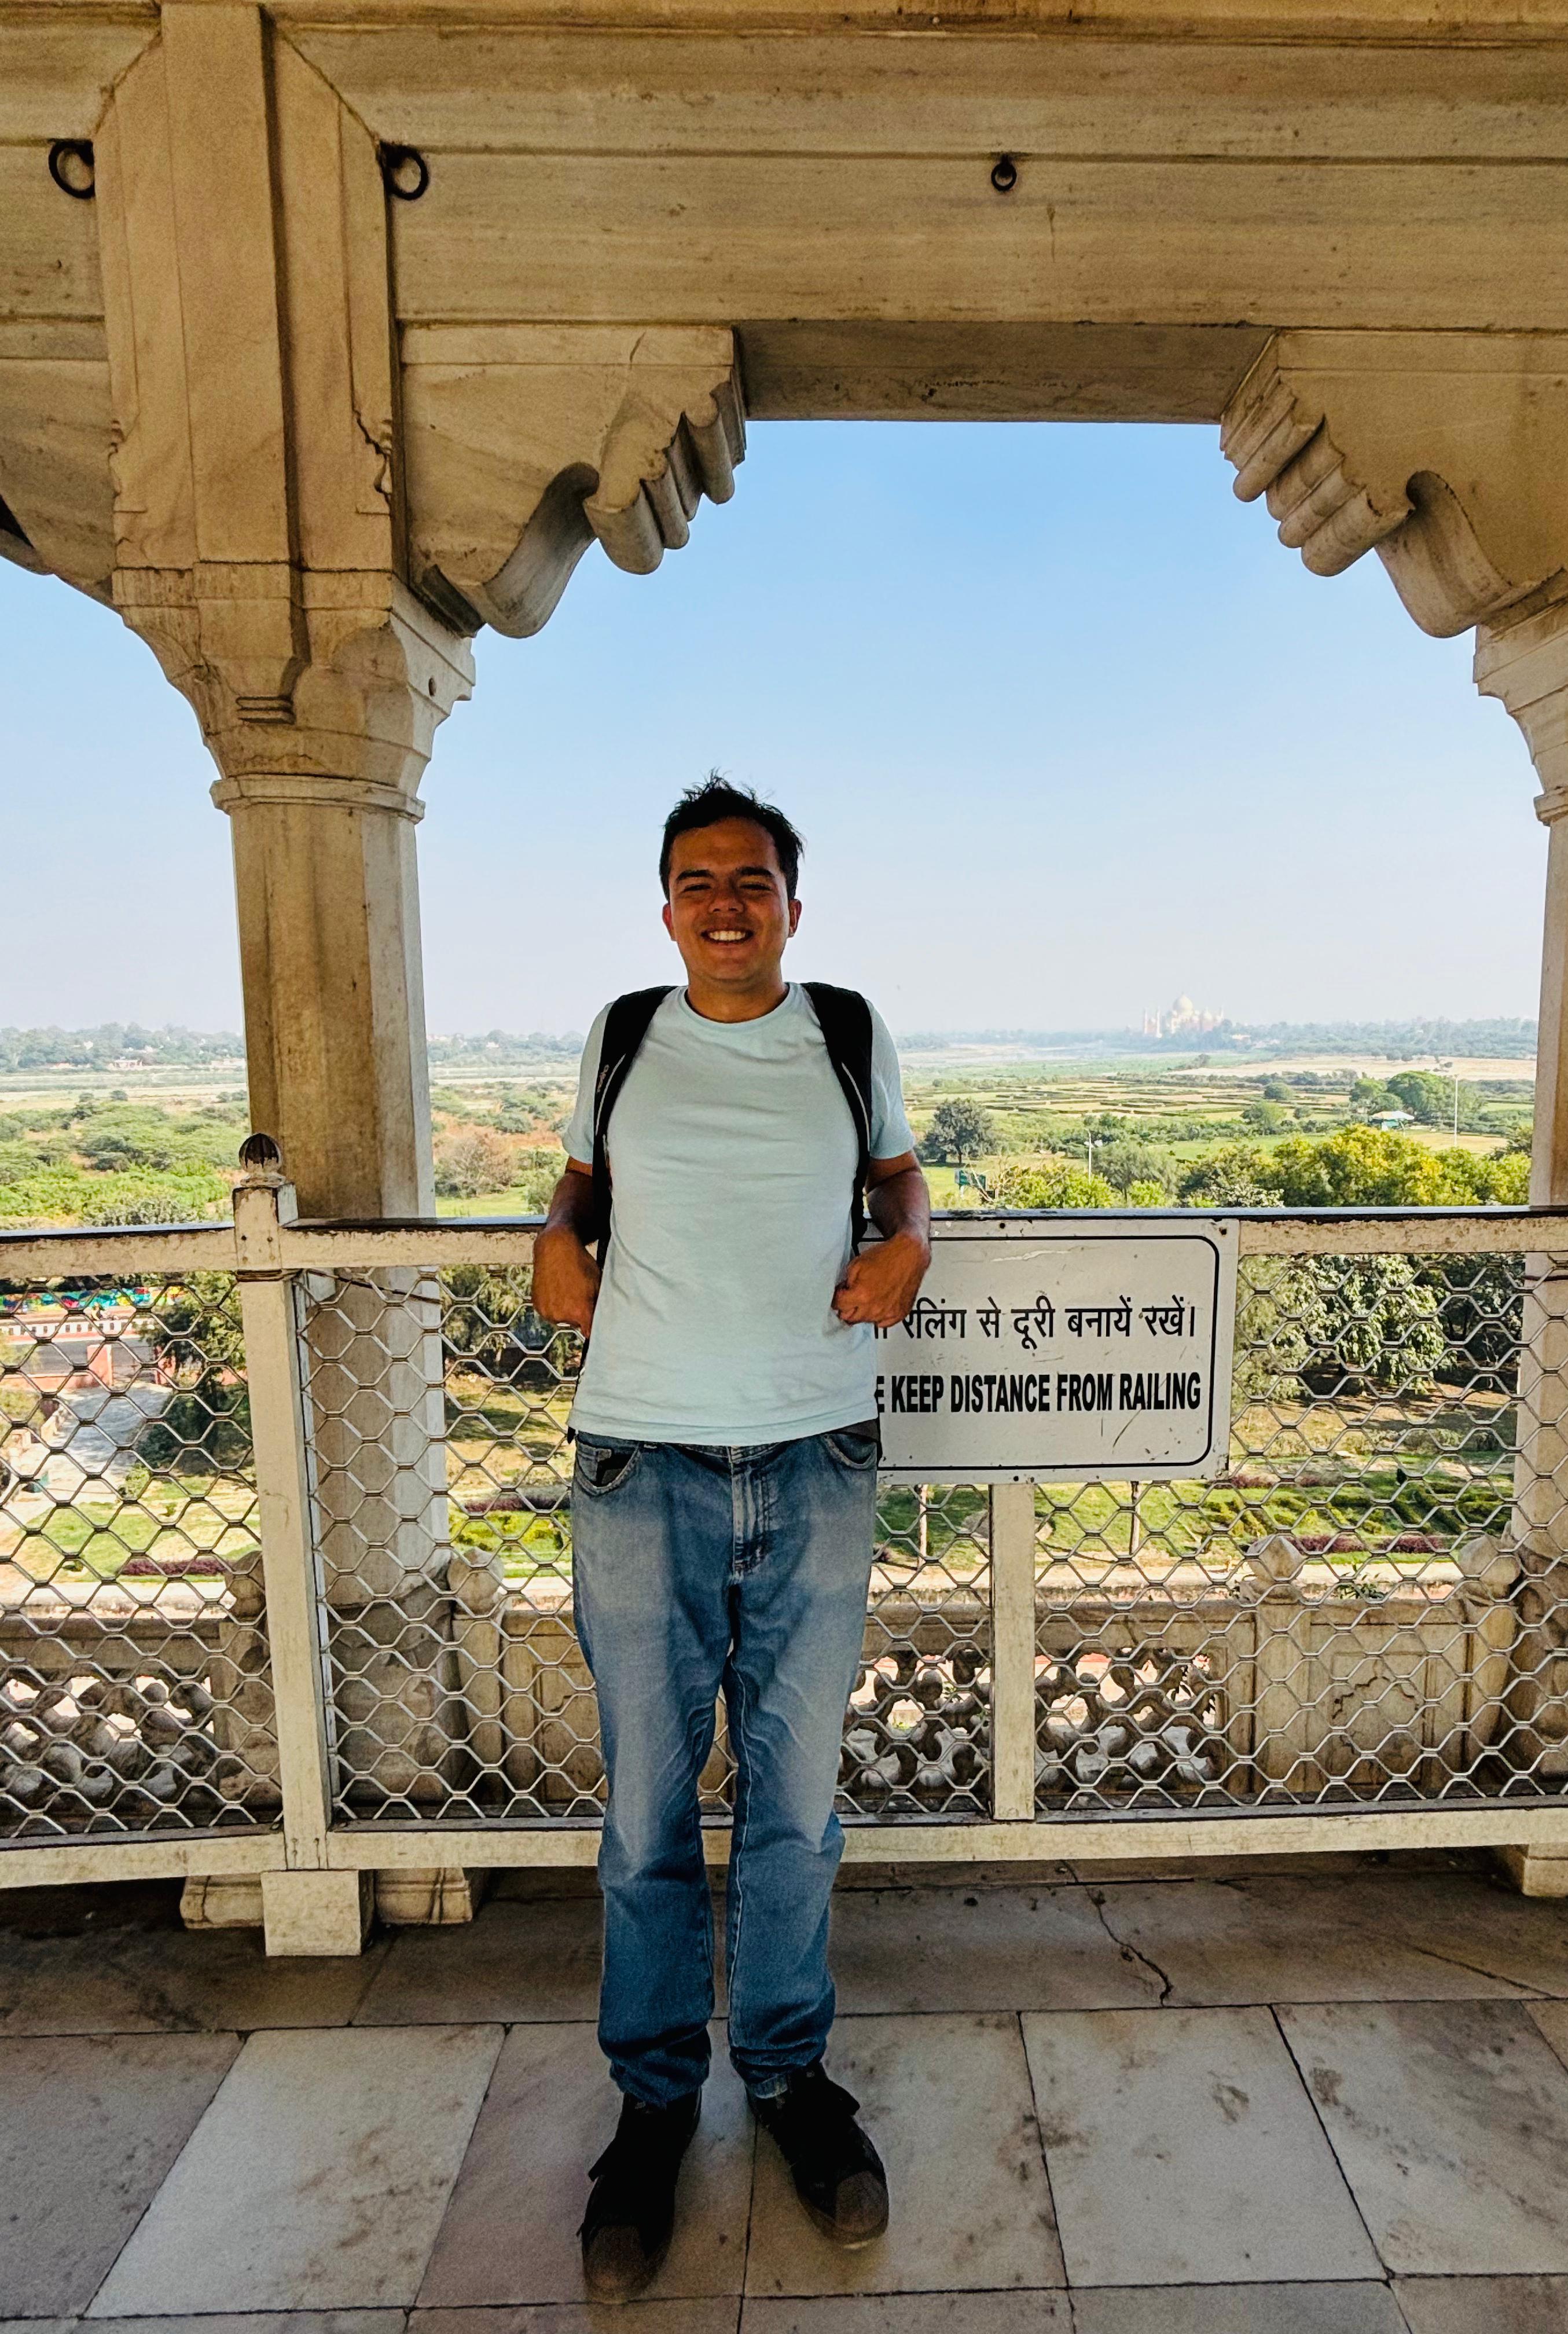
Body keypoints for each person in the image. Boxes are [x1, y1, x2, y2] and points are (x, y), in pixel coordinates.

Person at [532, 779, 931, 2304]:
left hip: (819, 1446)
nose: (725, 901)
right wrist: (559, 1229)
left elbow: (895, 1171)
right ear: (666, 907)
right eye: (698, 880)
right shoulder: (627, 1030)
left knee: (795, 1799)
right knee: (644, 1808)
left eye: (751, 879)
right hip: (641, 1452)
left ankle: (784, 2078)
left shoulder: (846, 1026)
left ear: (790, 904)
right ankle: (650, 2103)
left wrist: (913, 1241)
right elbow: (583, 1174)